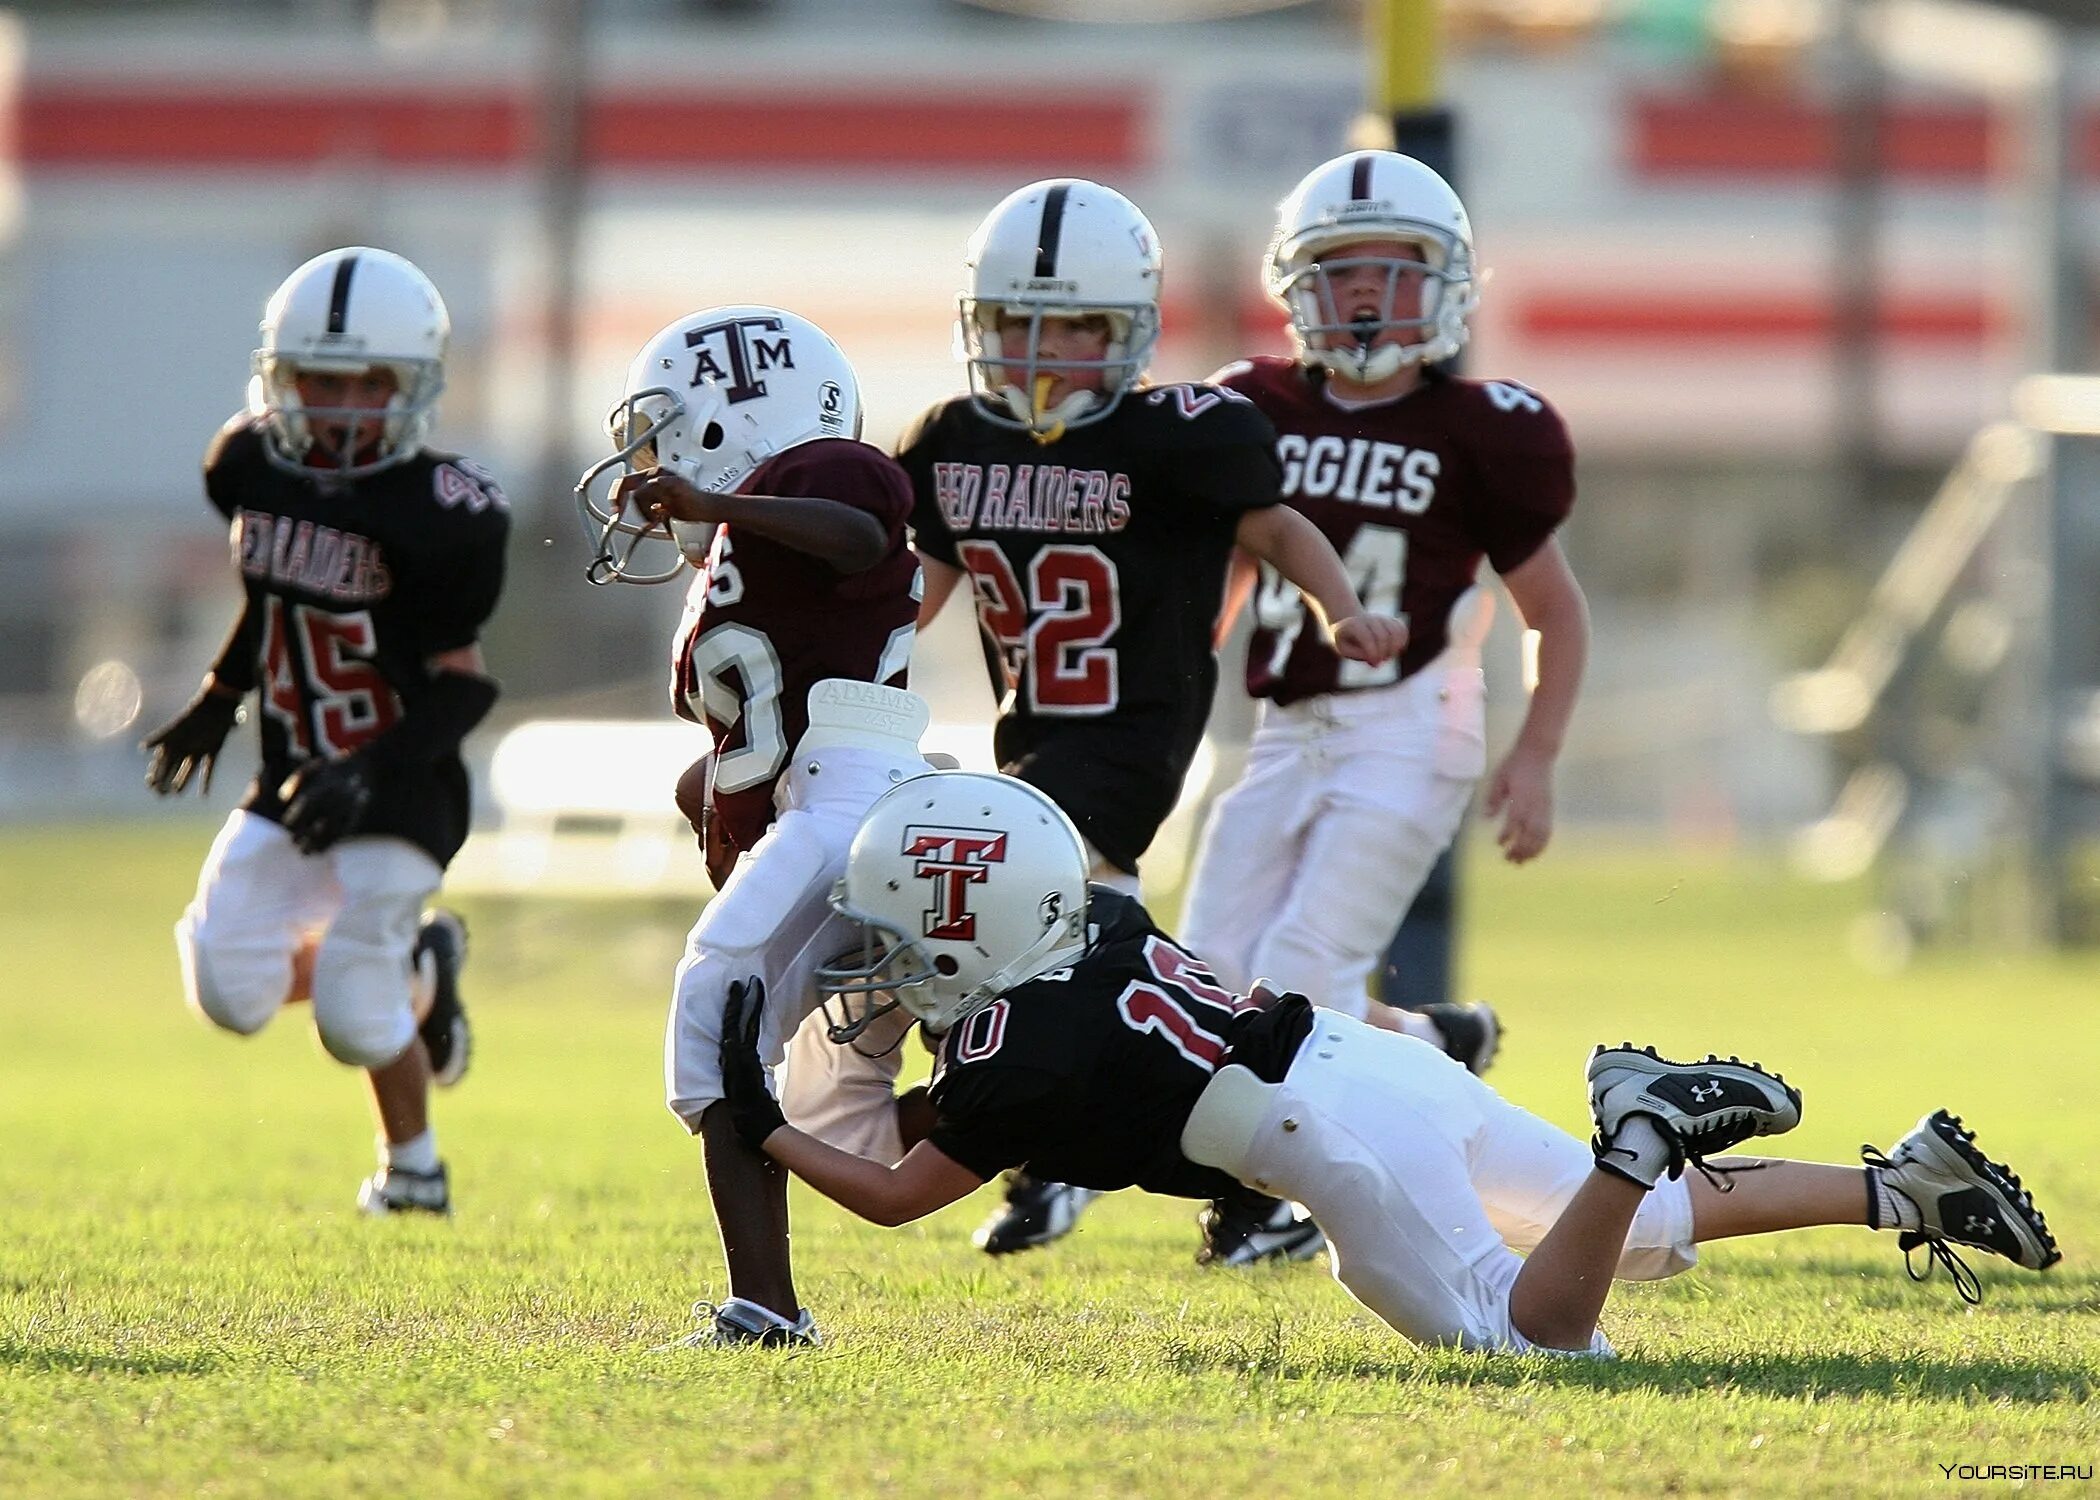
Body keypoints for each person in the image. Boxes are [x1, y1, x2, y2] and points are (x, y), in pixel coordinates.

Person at [715, 771, 2060, 1355]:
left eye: (899, 943)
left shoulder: (1020, 1049)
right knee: (1643, 1233)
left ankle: (1638, 1129)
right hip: (1367, 1059)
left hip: (1332, 1150)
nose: (879, 970)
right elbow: (993, 1085)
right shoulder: (1099, 925)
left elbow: (895, 1193)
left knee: (1528, 1338)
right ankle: (1909, 1186)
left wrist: (751, 1115)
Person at [894, 176, 1408, 1256]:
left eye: (1073, 330)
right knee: (1093, 982)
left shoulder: (1183, 434)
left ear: (1125, 332)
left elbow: (1275, 529)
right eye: (1015, 328)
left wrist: (1346, 608)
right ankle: (1253, 1158)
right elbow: (912, 599)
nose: (1041, 356)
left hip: (1126, 742)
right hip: (1029, 739)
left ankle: (1034, 1150)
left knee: (988, 932)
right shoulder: (950, 439)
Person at [575, 305, 931, 1348]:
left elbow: (864, 534)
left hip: (853, 800)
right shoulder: (744, 541)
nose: (649, 464)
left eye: (664, 432)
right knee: (808, 1090)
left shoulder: (824, 473)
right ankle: (765, 1304)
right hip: (816, 806)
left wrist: (719, 498)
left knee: (712, 1005)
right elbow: (756, 728)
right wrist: (712, 800)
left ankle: (767, 1311)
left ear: (731, 419)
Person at [143, 246, 506, 1216]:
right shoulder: (252, 464)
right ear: (279, 379)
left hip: (402, 788)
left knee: (352, 1015)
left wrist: (370, 769)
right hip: (295, 775)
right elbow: (275, 593)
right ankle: (416, 974)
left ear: (412, 386)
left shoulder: (442, 512)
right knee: (227, 987)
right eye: (318, 381)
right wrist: (223, 696)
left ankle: (415, 1171)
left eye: (366, 384)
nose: (340, 406)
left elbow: (465, 688)